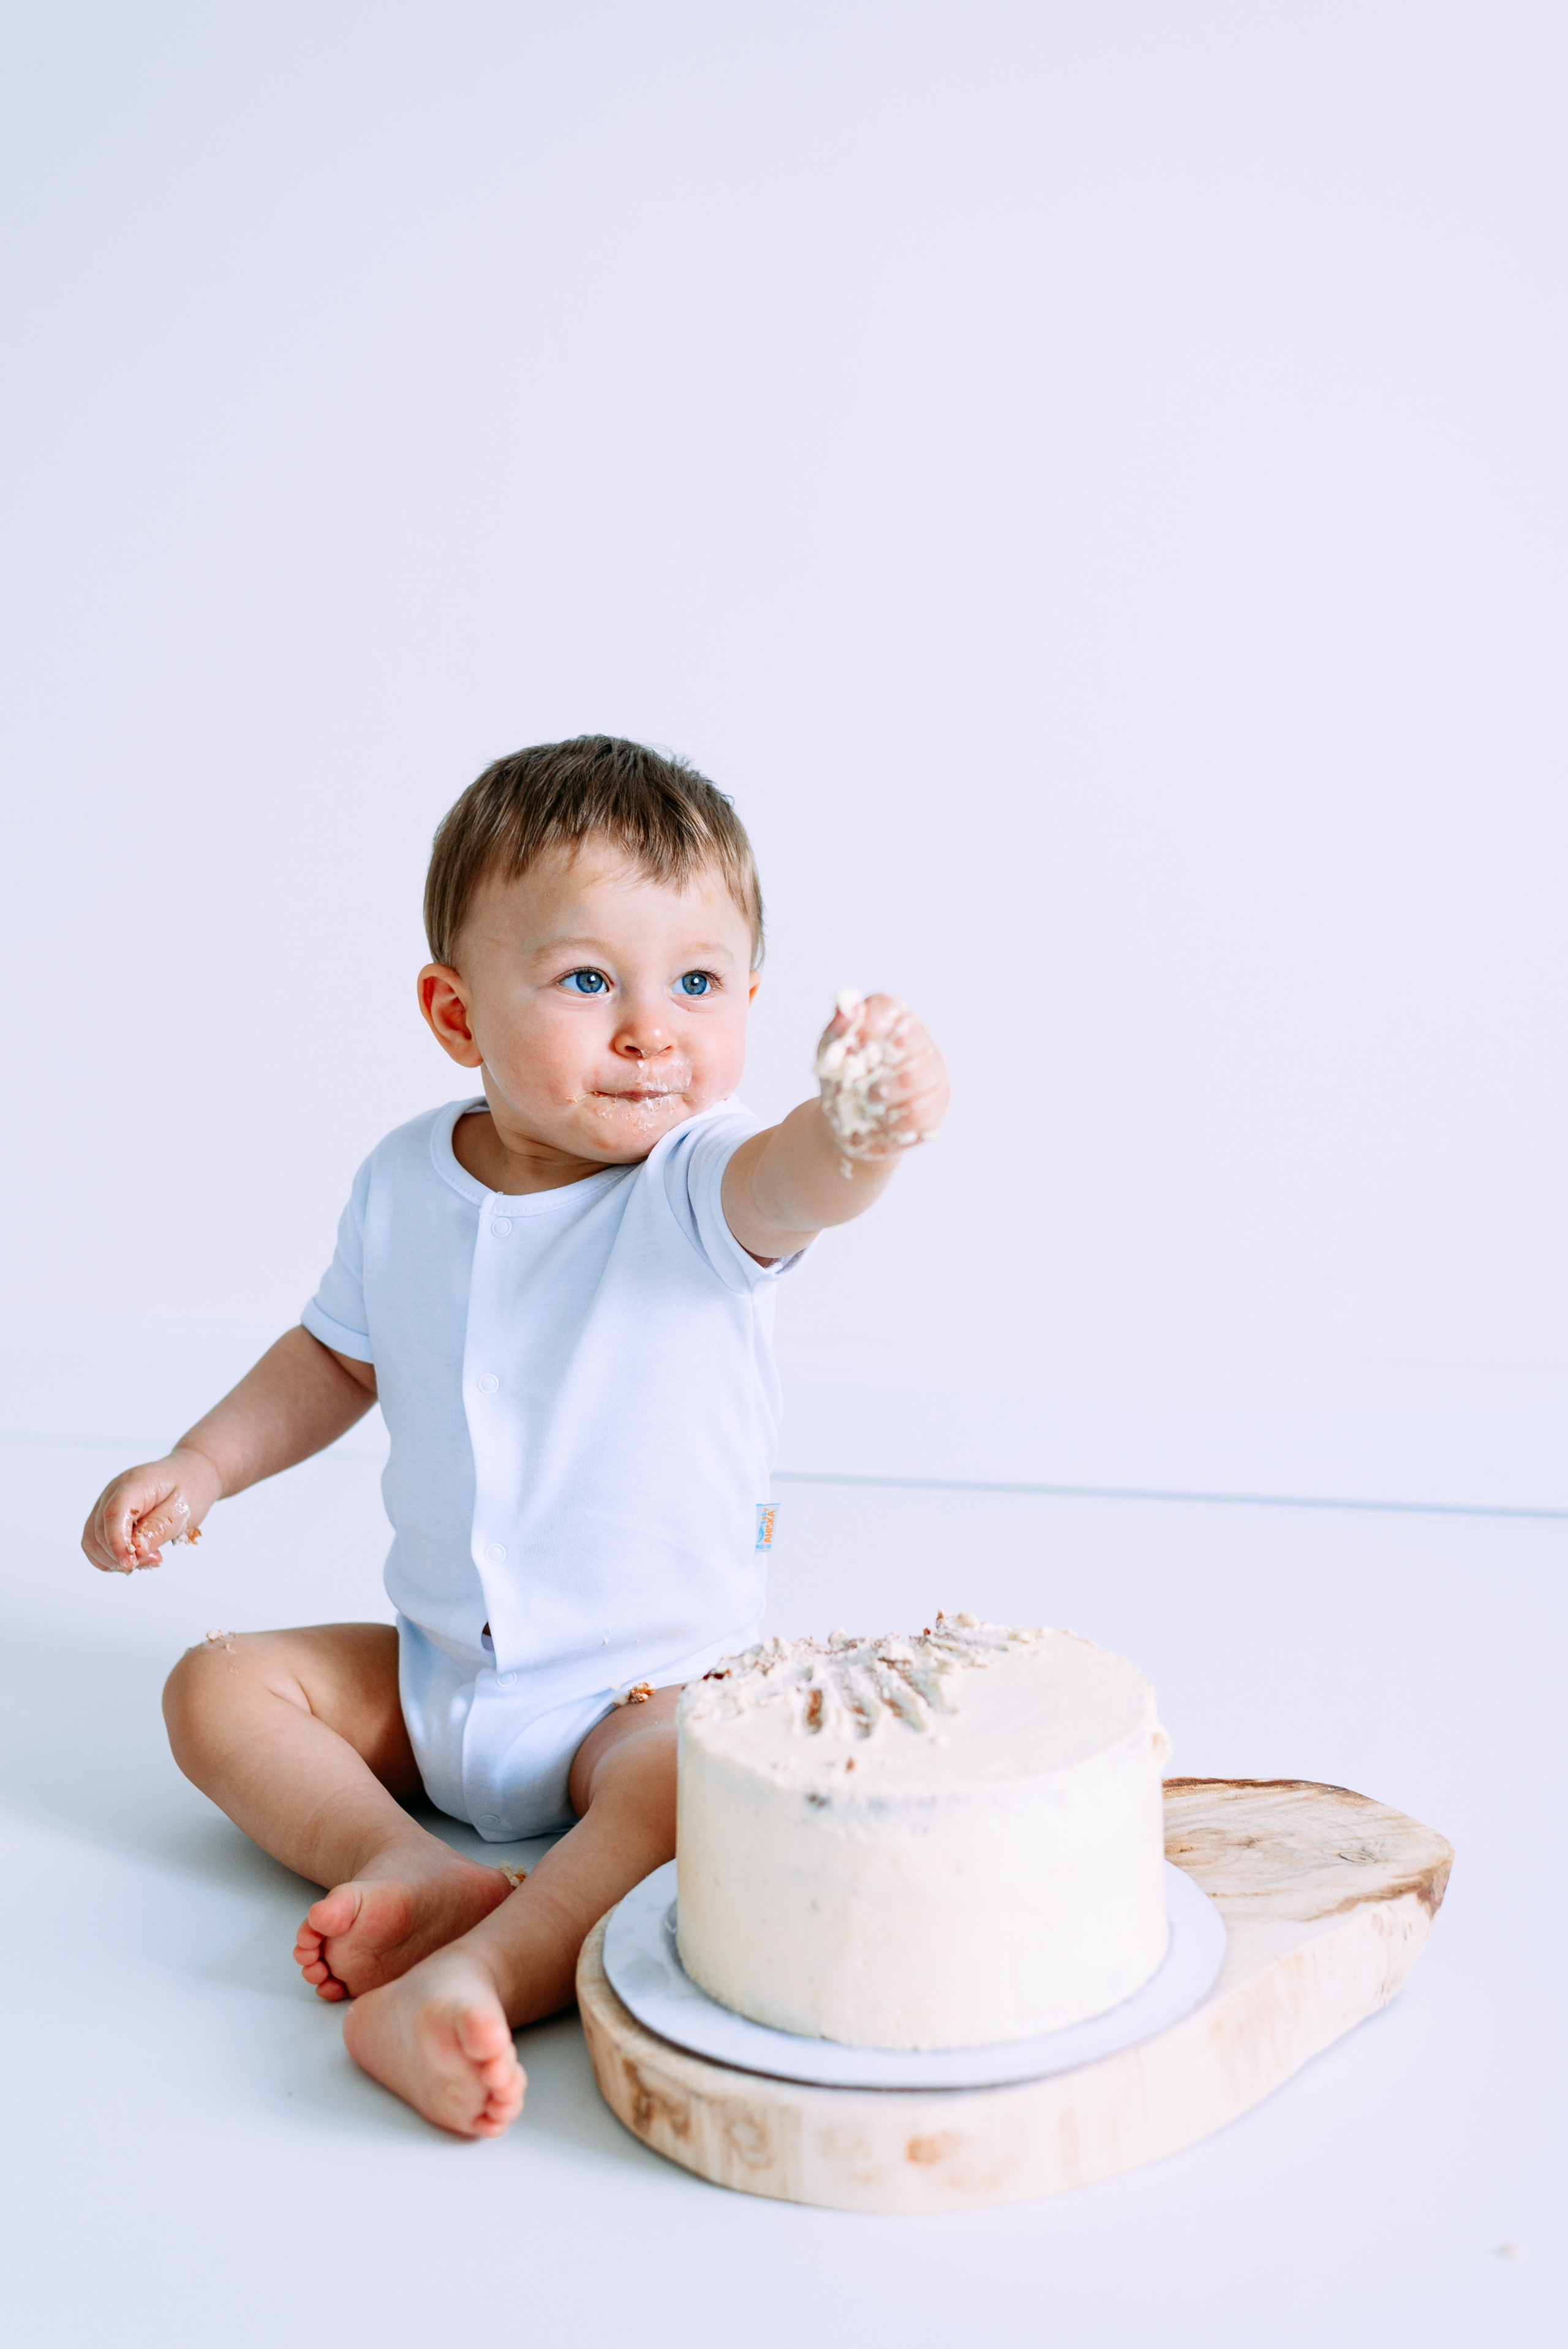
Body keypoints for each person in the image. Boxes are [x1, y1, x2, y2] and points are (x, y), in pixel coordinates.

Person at [80, 735, 949, 2138]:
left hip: (638, 1695)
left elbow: (802, 1181)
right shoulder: (402, 1180)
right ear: (454, 1011)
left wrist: (864, 1128)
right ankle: (394, 1861)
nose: (652, 1028)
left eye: (699, 983)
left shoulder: (694, 1188)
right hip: (438, 1671)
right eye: (588, 980)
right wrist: (201, 1465)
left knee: (691, 1793)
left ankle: (479, 1975)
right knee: (214, 1689)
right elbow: (328, 1358)